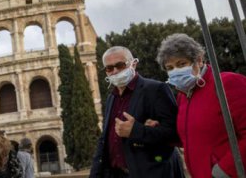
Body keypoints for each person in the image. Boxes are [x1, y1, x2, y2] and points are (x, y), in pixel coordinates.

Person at [156, 33, 246, 178]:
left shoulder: (226, 83)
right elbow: (190, 137)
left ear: (199, 60)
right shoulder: (183, 96)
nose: (176, 71)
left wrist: (225, 170)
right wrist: (157, 128)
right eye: (170, 67)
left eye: (181, 64)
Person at [90, 46, 184, 178]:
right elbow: (105, 140)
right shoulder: (112, 98)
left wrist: (136, 130)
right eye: (109, 68)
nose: (115, 71)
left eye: (120, 65)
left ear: (133, 64)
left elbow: (176, 134)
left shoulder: (155, 90)